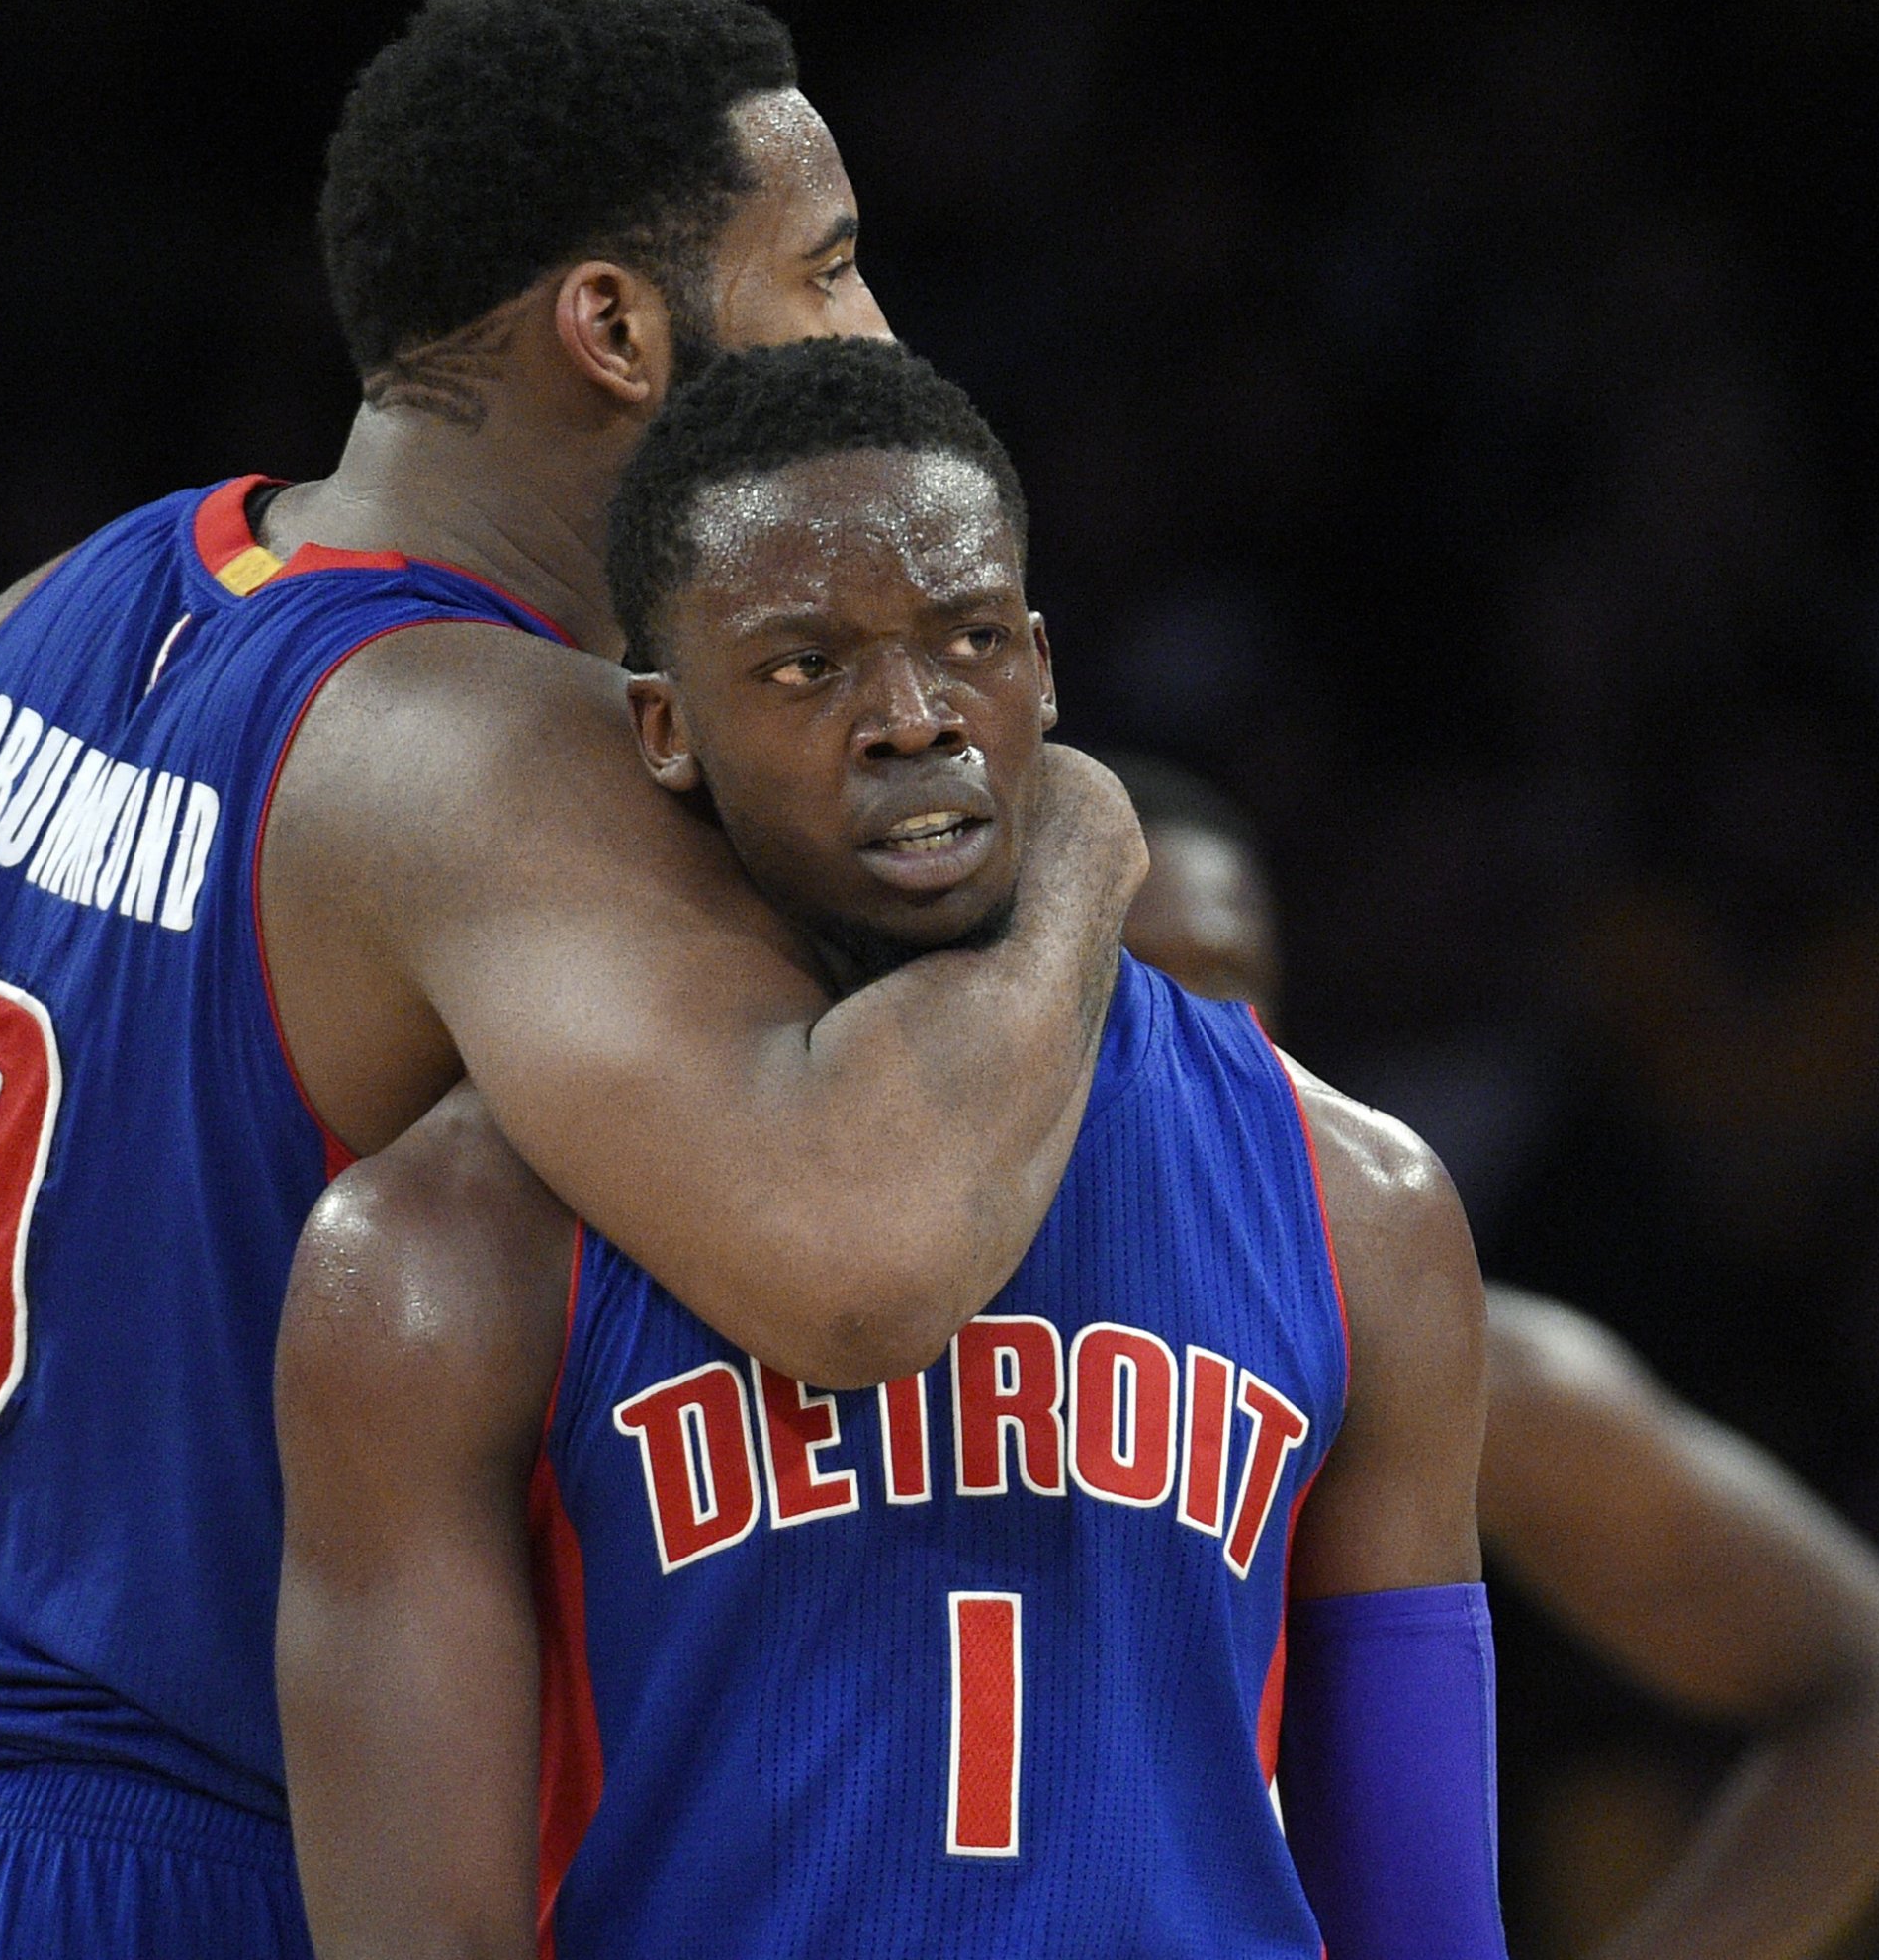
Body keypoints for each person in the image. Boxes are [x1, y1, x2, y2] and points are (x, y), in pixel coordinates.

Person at [0, 0, 1145, 1960]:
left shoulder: (28, 623)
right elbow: (859, 1260)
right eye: (828, 269)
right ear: (610, 328)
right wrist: (1082, 841)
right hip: (183, 1866)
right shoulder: (491, 746)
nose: (876, 338)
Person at [276, 339, 1507, 1959]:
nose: (911, 717)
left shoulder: (1363, 1205)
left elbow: (1422, 1916)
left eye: (969, 640)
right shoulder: (445, 1249)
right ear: (661, 726)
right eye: (805, 666)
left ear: (1046, 673)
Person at [1107, 750, 1879, 1960]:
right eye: (1116, 981)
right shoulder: (845, 1322)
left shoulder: (1443, 1356)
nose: (1177, 1035)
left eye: (1223, 980)